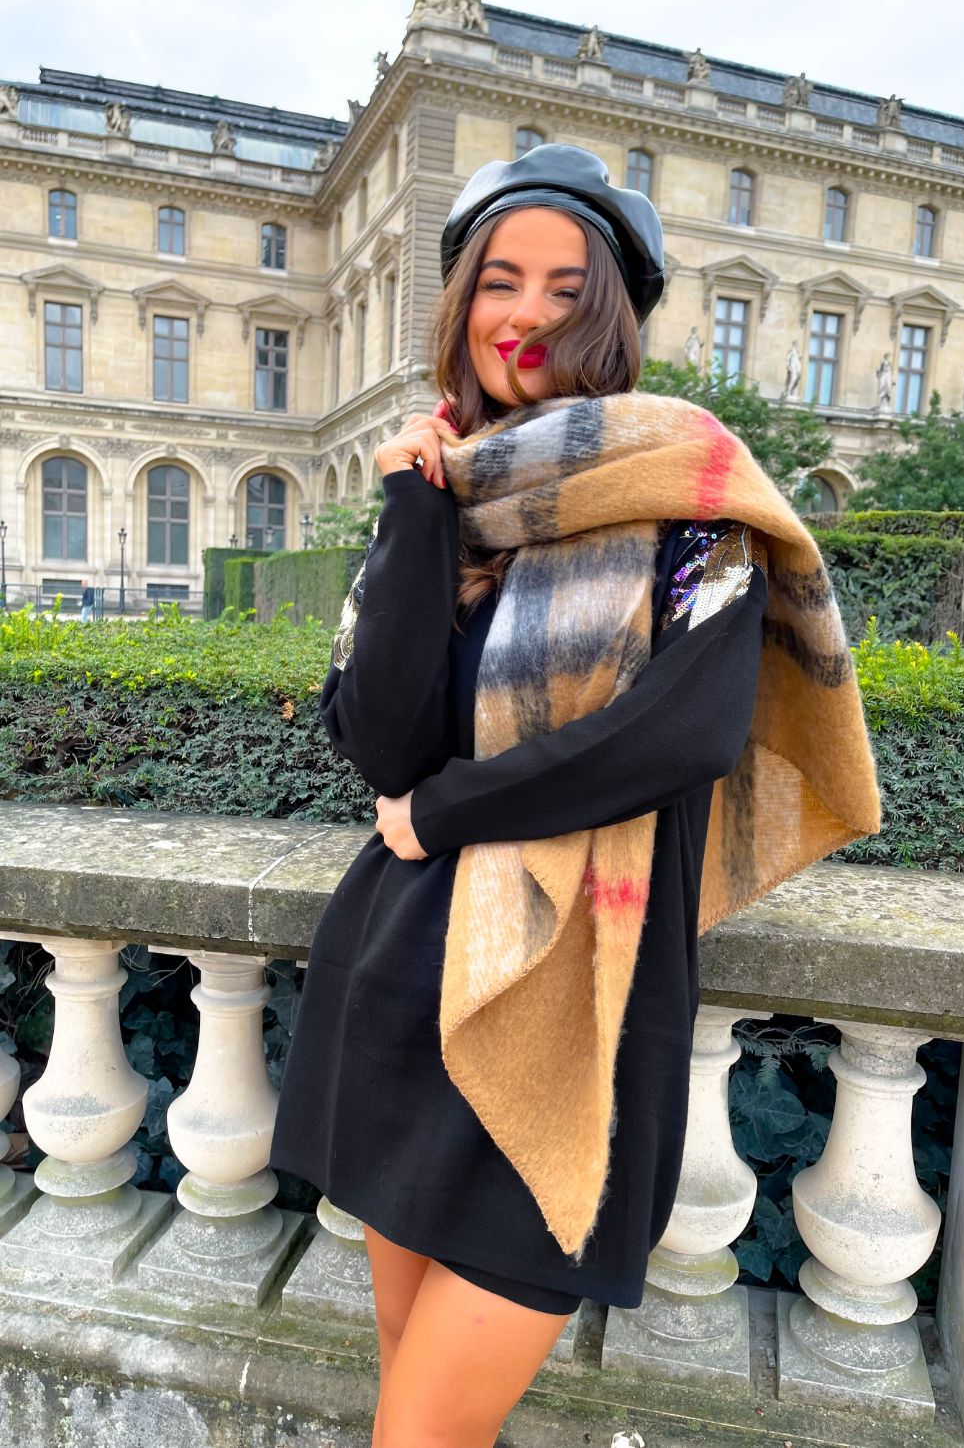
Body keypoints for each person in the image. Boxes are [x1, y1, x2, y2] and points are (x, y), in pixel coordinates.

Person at [269, 144, 880, 1446]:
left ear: (614, 309)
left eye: (566, 283)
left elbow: (689, 730)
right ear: (459, 304)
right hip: (399, 992)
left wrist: (446, 812)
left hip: (582, 1024)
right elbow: (384, 741)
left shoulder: (693, 498)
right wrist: (412, 516)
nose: (528, 312)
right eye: (499, 279)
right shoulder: (441, 503)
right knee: (413, 1397)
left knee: (418, 1429)